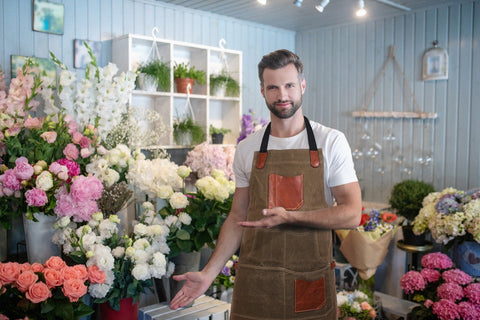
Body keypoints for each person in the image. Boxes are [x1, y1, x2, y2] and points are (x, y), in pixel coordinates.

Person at [170, 49, 362, 319]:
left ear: (302, 86)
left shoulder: (330, 141)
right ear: (262, 90)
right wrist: (208, 273)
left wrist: (290, 217)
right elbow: (238, 216)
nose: (282, 95)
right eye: (273, 87)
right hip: (255, 282)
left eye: (289, 85)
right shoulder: (248, 149)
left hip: (308, 280)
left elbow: (352, 214)